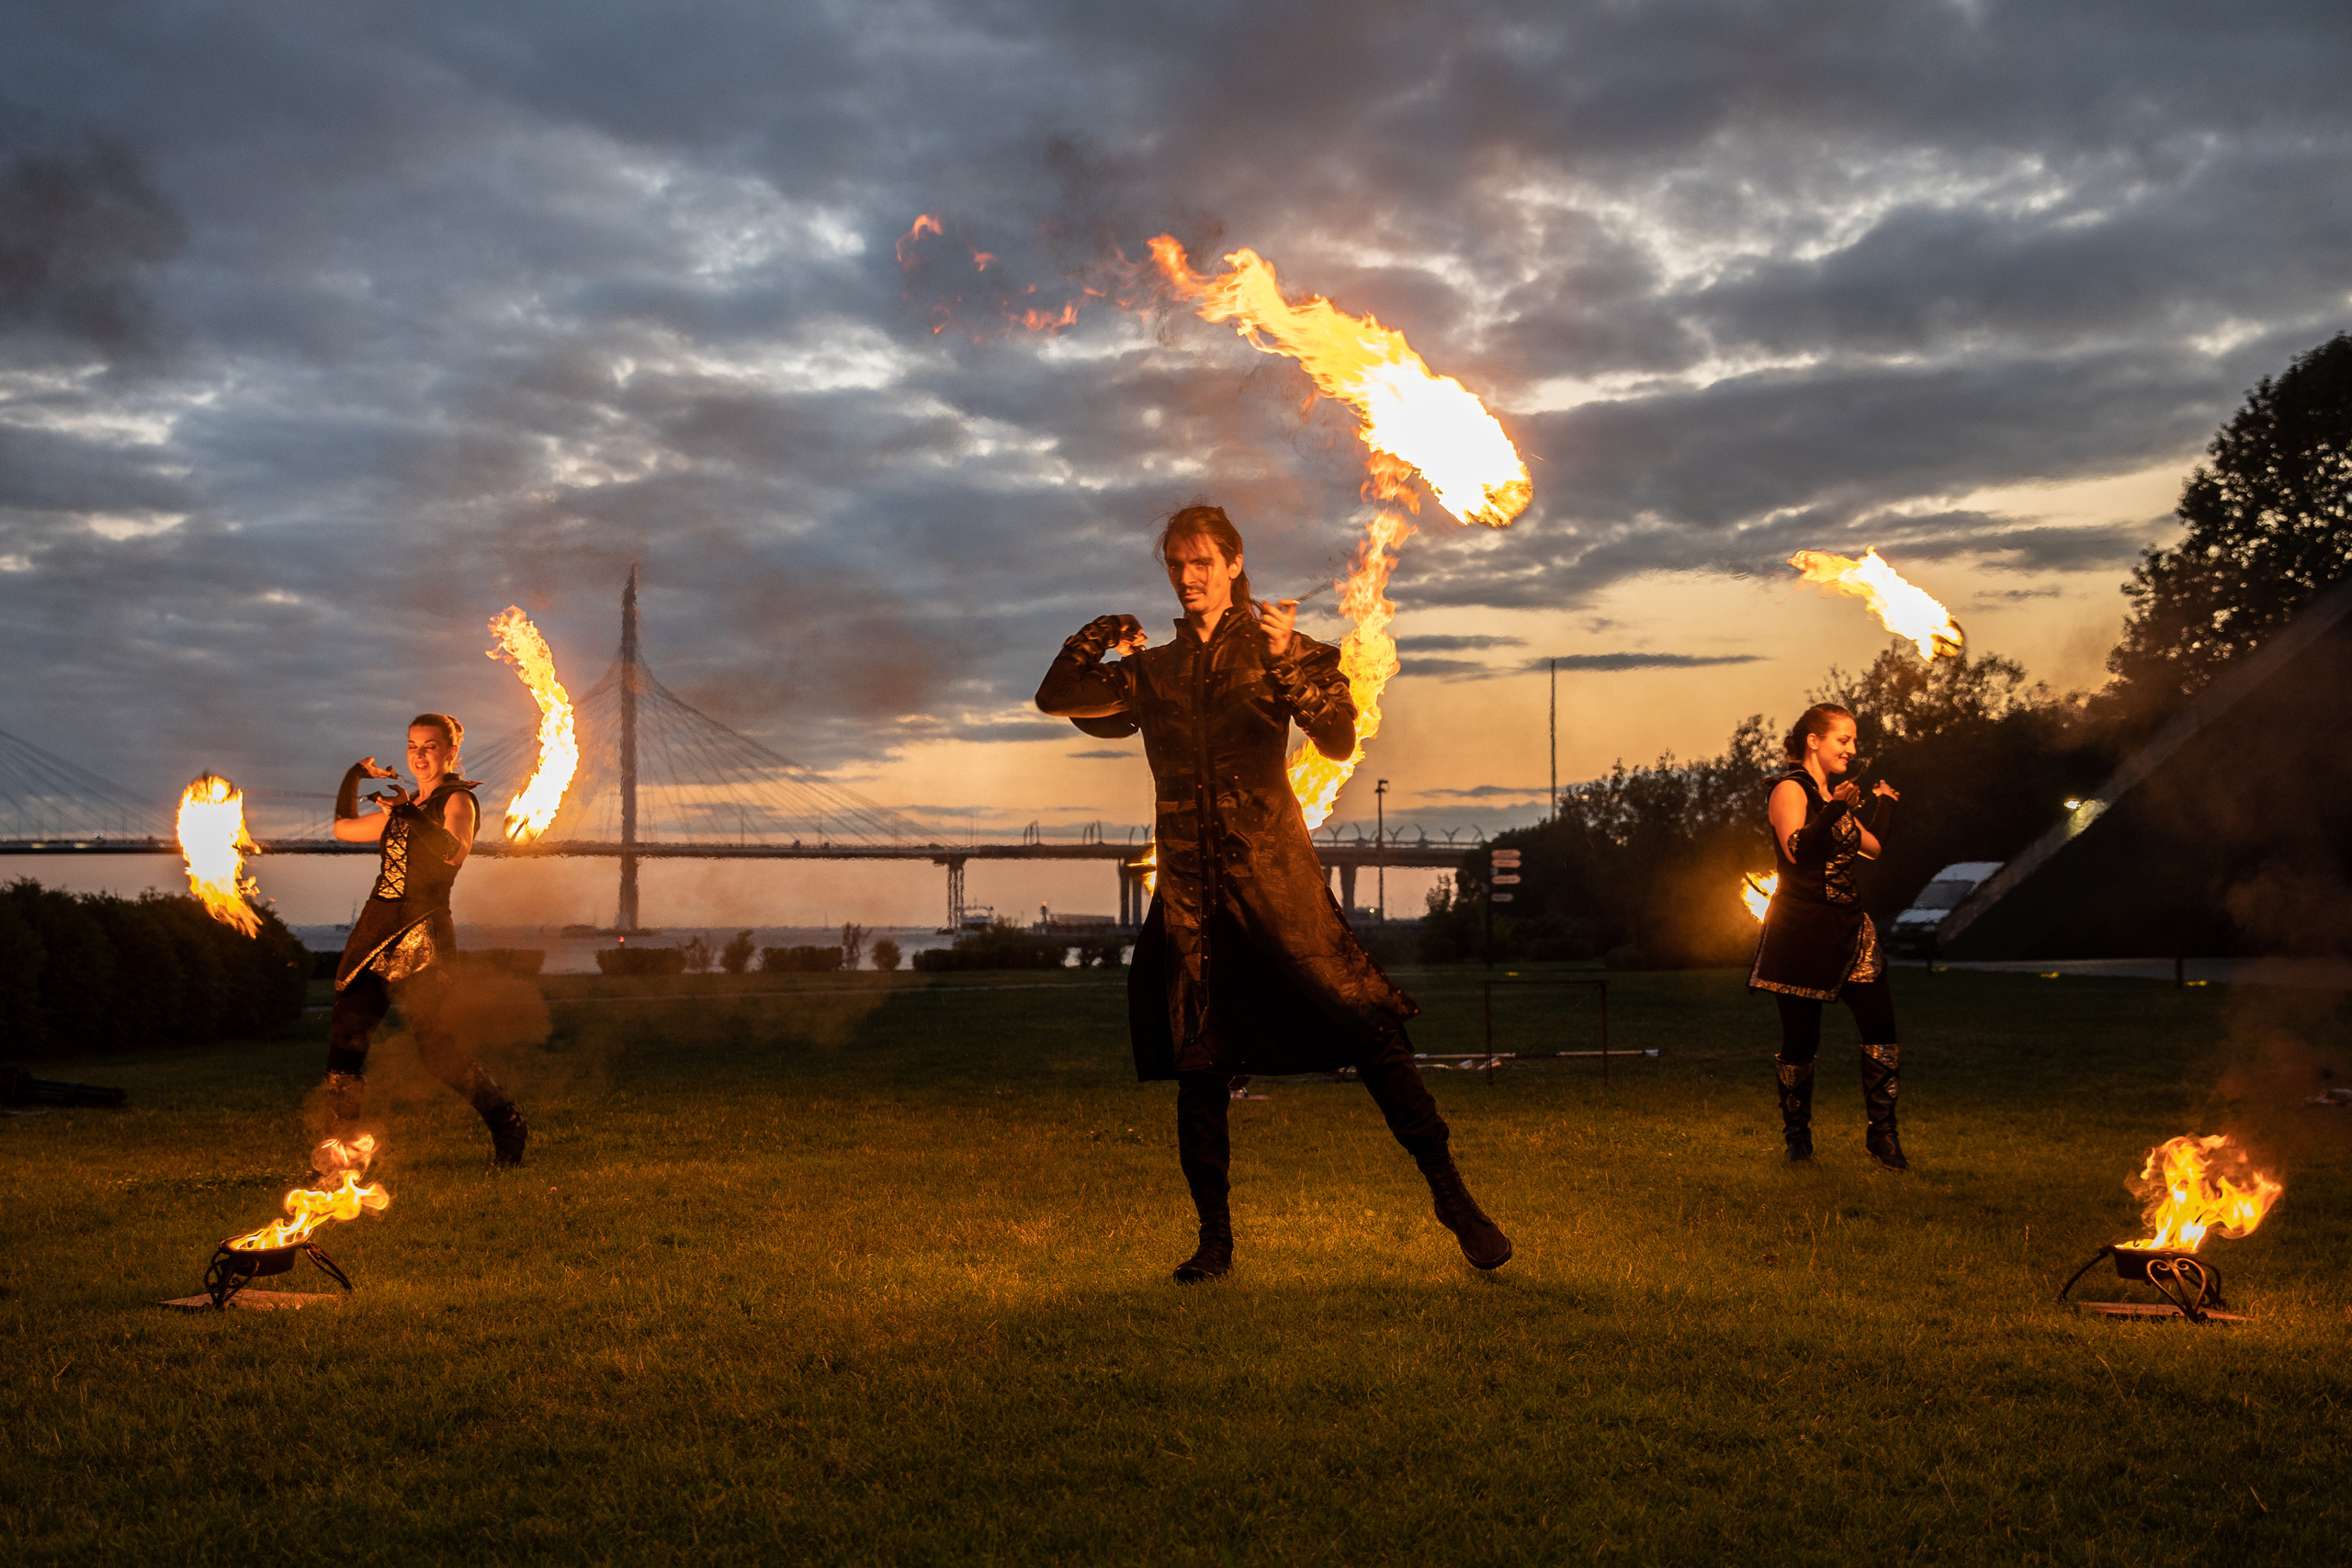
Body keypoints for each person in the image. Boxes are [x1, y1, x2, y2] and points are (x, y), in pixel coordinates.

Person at [1035, 503, 1510, 1281]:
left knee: (1369, 1026)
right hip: (1191, 897)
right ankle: (1213, 1241)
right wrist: (1099, 632)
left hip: (1276, 881)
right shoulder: (1154, 672)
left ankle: (1454, 1199)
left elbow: (1338, 738)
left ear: (1233, 563)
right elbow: (1057, 696)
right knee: (1200, 1062)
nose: (1187, 577)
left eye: (1201, 562)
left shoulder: (1280, 652)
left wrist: (1288, 661)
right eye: (1175, 564)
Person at [321, 713, 528, 1166]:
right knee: (346, 1041)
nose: (418, 755)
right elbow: (342, 828)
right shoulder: (405, 805)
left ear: (451, 752)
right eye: (412, 745)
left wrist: (408, 813)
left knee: (437, 1052)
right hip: (375, 930)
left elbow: (453, 853)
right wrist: (354, 775)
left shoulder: (458, 801)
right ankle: (341, 1157)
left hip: (424, 932)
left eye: (429, 746)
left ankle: (507, 1122)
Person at [1749, 703, 1905, 1169]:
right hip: (1802, 930)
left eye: (1854, 740)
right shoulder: (1789, 790)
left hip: (1852, 928)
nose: (1852, 749)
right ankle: (1798, 1140)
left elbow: (1873, 847)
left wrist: (1884, 802)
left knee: (1881, 1030)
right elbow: (1797, 850)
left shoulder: (1833, 797)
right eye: (1843, 739)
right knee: (1801, 1040)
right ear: (1814, 741)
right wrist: (1838, 806)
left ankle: (1883, 1137)